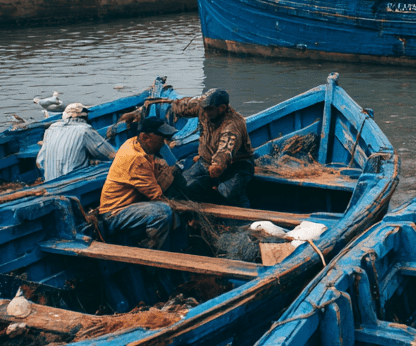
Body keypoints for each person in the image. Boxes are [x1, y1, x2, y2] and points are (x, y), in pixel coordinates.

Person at [97, 115, 177, 249]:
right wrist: (178, 210)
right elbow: (156, 196)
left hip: (129, 206)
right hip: (115, 214)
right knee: (163, 212)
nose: (164, 142)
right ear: (145, 137)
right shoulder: (136, 159)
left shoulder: (133, 142)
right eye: (161, 138)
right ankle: (154, 260)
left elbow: (164, 165)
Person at [168, 88, 255, 206]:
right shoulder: (203, 107)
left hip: (236, 165)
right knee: (182, 186)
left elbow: (224, 152)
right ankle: (211, 197)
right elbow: (181, 106)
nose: (205, 112)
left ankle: (241, 218)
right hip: (205, 161)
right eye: (204, 108)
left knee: (229, 195)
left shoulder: (232, 125)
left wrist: (216, 167)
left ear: (222, 108)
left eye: (209, 109)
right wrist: (170, 108)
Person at [36, 102, 116, 181]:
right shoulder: (85, 130)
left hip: (50, 183)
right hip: (73, 182)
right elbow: (111, 155)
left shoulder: (51, 130)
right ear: (85, 117)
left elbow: (40, 162)